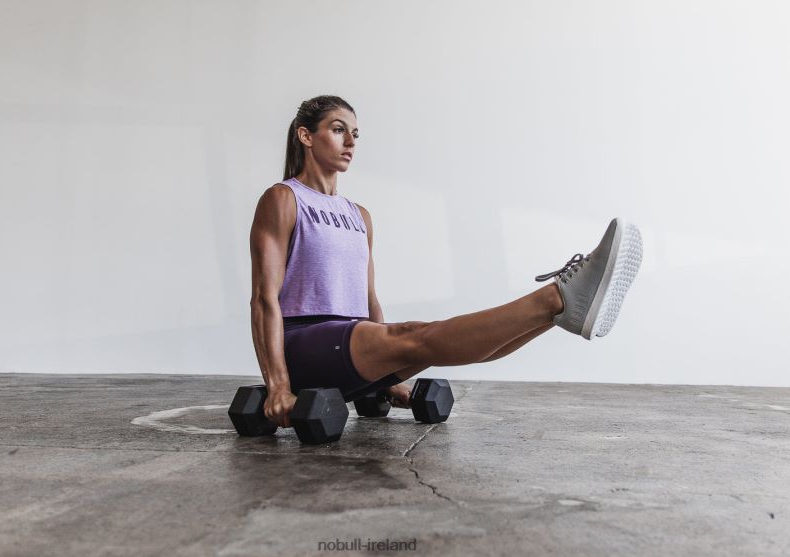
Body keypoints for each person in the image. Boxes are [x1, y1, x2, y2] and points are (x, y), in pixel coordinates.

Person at [249, 95, 643, 428]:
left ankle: (559, 314)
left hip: (352, 340)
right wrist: (279, 386)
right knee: (418, 335)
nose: (350, 141)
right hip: (304, 344)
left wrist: (384, 373)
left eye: (355, 133)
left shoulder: (359, 215)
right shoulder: (284, 199)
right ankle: (556, 297)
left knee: (428, 346)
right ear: (306, 136)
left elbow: (369, 299)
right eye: (338, 130)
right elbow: (264, 299)